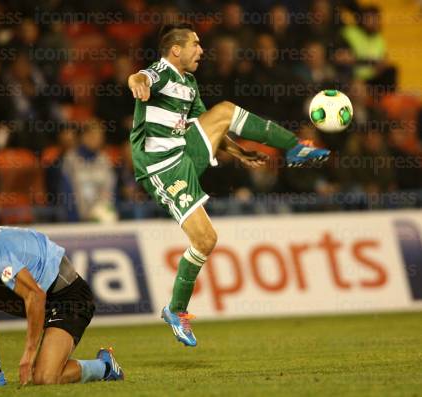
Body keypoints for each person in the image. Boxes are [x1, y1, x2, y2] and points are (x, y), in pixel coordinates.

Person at [127, 23, 330, 347]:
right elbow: (141, 77)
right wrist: (136, 81)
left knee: (224, 111)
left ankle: (293, 146)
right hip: (161, 167)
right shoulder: (161, 72)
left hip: (184, 151)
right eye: (195, 44)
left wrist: (240, 151)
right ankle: (176, 310)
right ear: (176, 50)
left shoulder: (189, 82)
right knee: (206, 240)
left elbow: (212, 126)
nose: (201, 50)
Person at [0, 224, 124, 389]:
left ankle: (105, 366)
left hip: (69, 298)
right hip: (45, 293)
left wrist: (28, 353)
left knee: (44, 378)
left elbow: (35, 295)